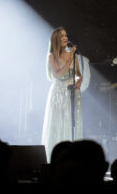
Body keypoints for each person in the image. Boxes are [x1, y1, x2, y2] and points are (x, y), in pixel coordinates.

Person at [42, 27, 83, 162]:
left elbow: (78, 74)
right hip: (59, 94)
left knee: (72, 124)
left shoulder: (73, 56)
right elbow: (59, 74)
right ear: (56, 40)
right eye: (61, 36)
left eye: (65, 35)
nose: (65, 38)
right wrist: (69, 58)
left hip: (72, 94)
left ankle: (73, 158)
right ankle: (56, 159)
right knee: (58, 125)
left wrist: (78, 83)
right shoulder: (51, 56)